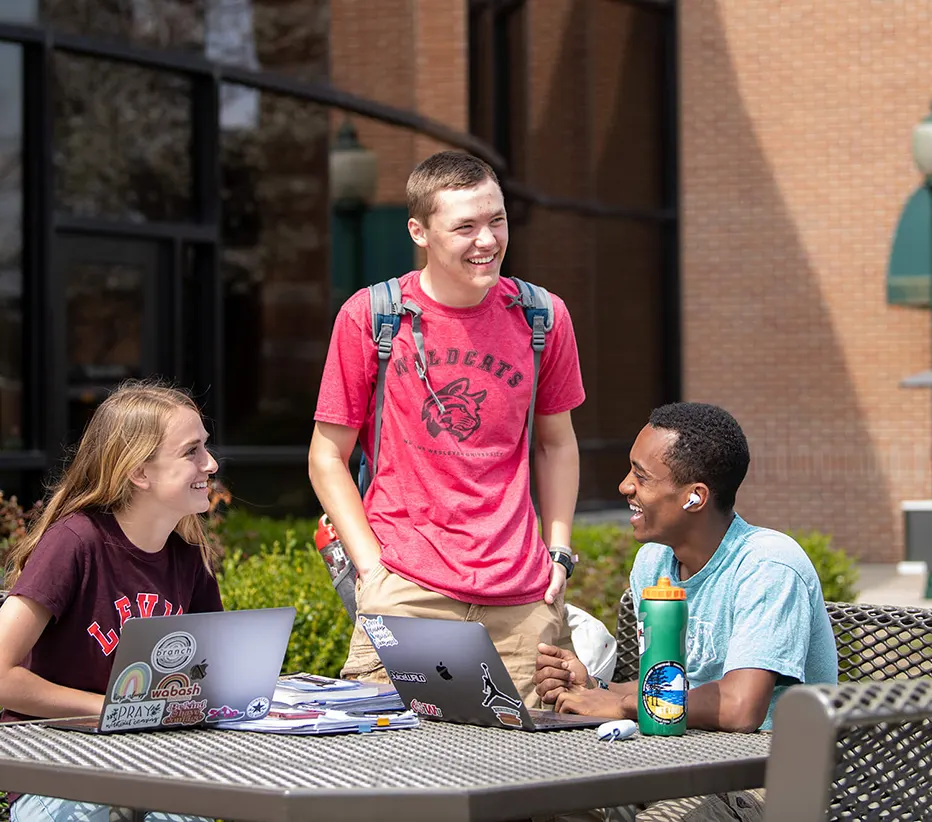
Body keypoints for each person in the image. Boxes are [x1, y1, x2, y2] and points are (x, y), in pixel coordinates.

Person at [309, 150, 586, 705]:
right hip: (406, 590)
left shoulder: (543, 318)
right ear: (420, 231)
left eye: (497, 220)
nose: (487, 240)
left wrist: (558, 553)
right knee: (388, 774)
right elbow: (326, 455)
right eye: (465, 226)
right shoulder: (372, 316)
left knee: (525, 778)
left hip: (521, 596)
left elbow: (556, 445)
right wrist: (372, 570)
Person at [534, 402, 837, 822]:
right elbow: (668, 683)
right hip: (679, 758)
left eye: (641, 477)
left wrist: (623, 707)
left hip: (768, 777)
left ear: (695, 496)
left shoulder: (768, 566)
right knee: (552, 804)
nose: (624, 486)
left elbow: (739, 708)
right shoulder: (654, 563)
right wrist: (596, 686)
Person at [0, 381, 223, 822]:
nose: (211, 464)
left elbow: (212, 680)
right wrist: (112, 711)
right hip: (57, 771)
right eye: (191, 451)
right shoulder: (74, 542)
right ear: (139, 472)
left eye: (206, 448)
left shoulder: (188, 559)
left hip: (151, 769)